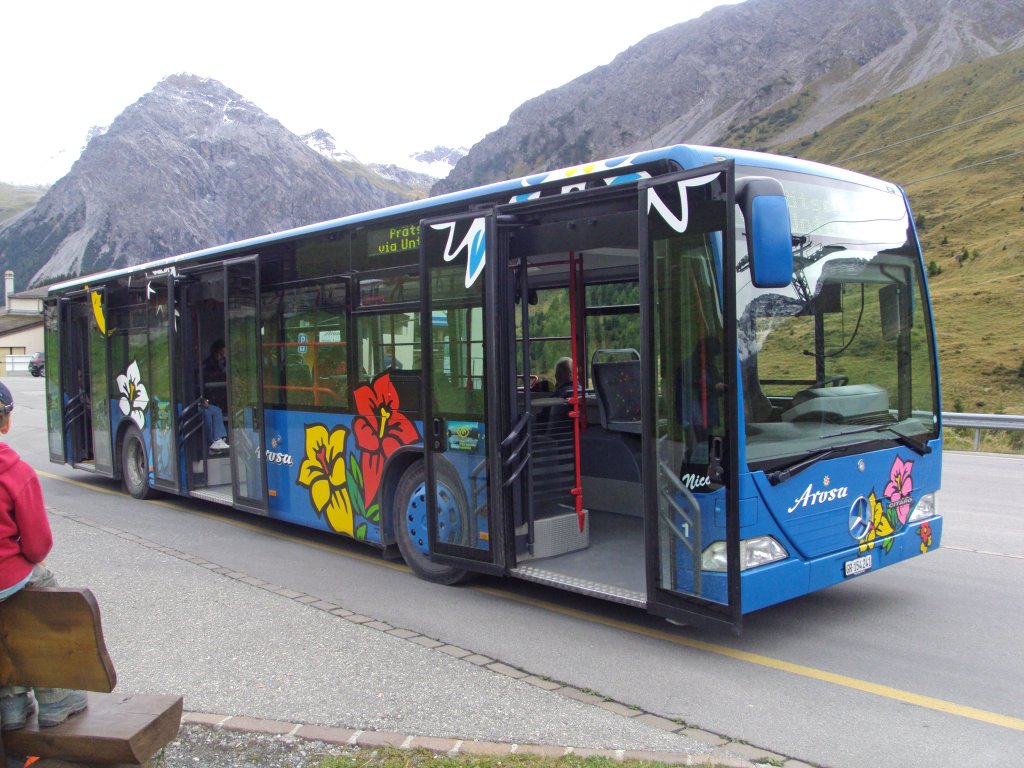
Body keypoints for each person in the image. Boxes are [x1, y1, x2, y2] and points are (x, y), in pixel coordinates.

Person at [0, 382, 89, 730]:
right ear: (6, 422)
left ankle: (10, 702)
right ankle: (56, 697)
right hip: (6, 578)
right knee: (42, 592)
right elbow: (37, 546)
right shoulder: (16, 474)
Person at [201, 340, 229, 452]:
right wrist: (204, 399)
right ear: (219, 351)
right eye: (224, 351)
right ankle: (211, 441)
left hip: (219, 399)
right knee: (207, 413)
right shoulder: (208, 364)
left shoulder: (224, 363)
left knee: (216, 410)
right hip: (206, 399)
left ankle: (219, 439)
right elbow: (207, 381)